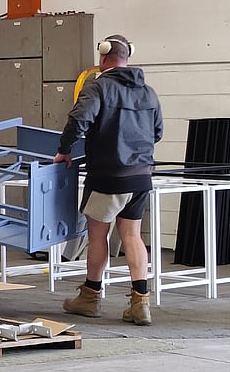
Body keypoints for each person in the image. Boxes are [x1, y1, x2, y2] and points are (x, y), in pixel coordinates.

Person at [54, 34, 163, 326]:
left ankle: (90, 297)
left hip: (108, 175)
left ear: (103, 56)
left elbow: (78, 120)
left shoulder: (98, 86)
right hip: (141, 176)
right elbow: (158, 132)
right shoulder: (148, 91)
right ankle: (141, 303)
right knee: (132, 235)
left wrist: (64, 150)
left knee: (98, 234)